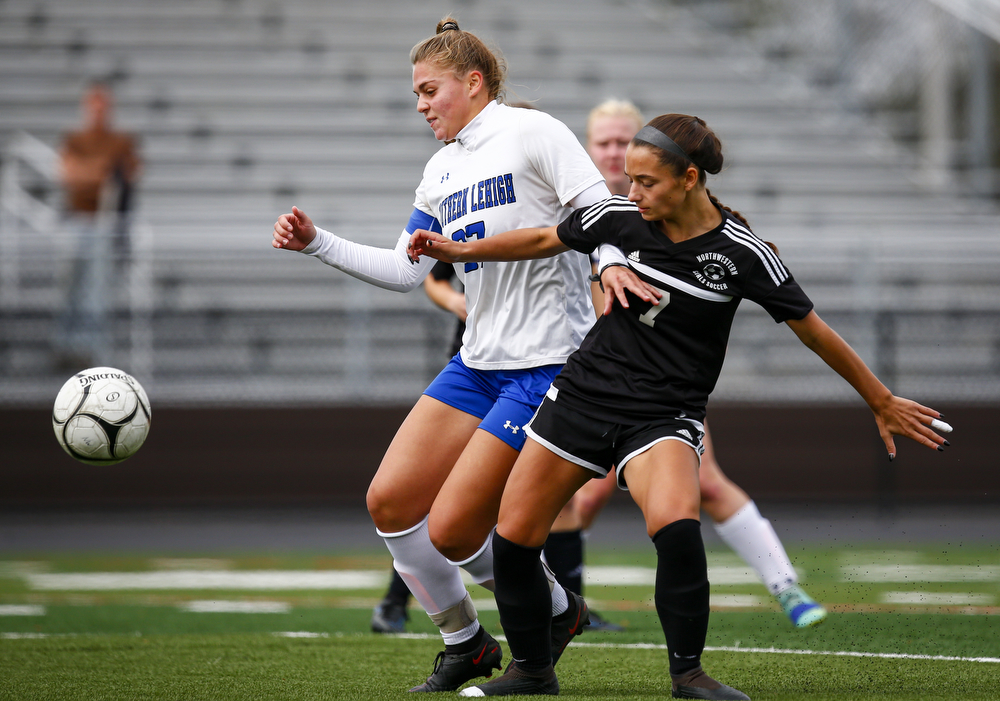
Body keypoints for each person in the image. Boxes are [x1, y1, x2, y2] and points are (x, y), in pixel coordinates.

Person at [409, 112, 951, 698]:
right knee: (514, 536)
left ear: (690, 178)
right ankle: (533, 671)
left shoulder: (743, 254)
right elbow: (544, 238)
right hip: (583, 396)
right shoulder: (618, 219)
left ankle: (688, 674)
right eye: (630, 179)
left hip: (664, 414)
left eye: (648, 182)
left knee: (676, 526)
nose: (633, 192)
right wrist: (460, 247)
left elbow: (813, 330)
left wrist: (880, 399)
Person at [273, 17, 634, 691]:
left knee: (454, 526)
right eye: (416, 92)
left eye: (429, 89)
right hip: (477, 362)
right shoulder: (441, 168)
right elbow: (409, 269)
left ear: (473, 82)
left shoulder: (535, 131)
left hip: (545, 362)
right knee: (389, 500)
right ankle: (467, 640)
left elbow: (599, 210)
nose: (420, 104)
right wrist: (318, 241)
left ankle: (555, 609)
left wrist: (610, 265)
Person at [545, 99, 829, 631]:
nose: (612, 153)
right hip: (585, 378)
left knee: (708, 486)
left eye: (621, 141)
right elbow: (555, 248)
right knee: (569, 499)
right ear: (588, 149)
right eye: (602, 143)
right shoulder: (592, 207)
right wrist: (605, 263)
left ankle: (785, 586)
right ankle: (568, 609)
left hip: (660, 387)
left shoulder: (665, 207)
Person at [371, 260, 465, 634]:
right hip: (477, 366)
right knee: (433, 499)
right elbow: (432, 277)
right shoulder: (468, 208)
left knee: (563, 502)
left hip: (545, 367)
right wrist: (456, 303)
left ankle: (562, 605)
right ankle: (397, 601)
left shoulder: (568, 221)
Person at [56, 80, 140, 368]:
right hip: (77, 220)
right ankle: (65, 348)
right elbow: (69, 174)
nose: (98, 112)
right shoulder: (75, 139)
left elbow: (130, 172)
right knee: (70, 285)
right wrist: (101, 170)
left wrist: (90, 172)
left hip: (105, 222)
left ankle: (92, 351)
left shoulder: (121, 141)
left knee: (97, 289)